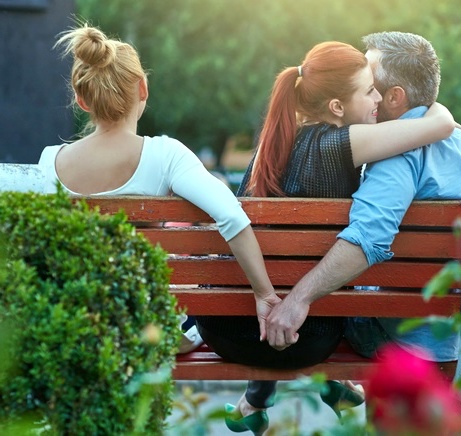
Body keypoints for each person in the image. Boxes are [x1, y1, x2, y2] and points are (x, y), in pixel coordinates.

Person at [196, 40, 458, 434]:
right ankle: (327, 383)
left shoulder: (273, 143)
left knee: (282, 279)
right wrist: (435, 105)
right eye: (369, 91)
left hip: (223, 329)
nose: (377, 99)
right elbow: (440, 125)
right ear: (337, 107)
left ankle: (257, 400)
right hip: (308, 338)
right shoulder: (344, 143)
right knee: (328, 291)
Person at [37, 24, 281, 355]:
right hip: (144, 330)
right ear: (143, 89)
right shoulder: (164, 155)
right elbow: (229, 215)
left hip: (70, 327)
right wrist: (265, 294)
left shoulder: (49, 161)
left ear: (81, 100)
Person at [264, 31, 461, 367]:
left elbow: (367, 239)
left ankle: (265, 397)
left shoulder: (396, 156)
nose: (369, 93)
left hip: (406, 340)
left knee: (327, 308)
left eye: (371, 84)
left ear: (394, 97)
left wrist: (297, 300)